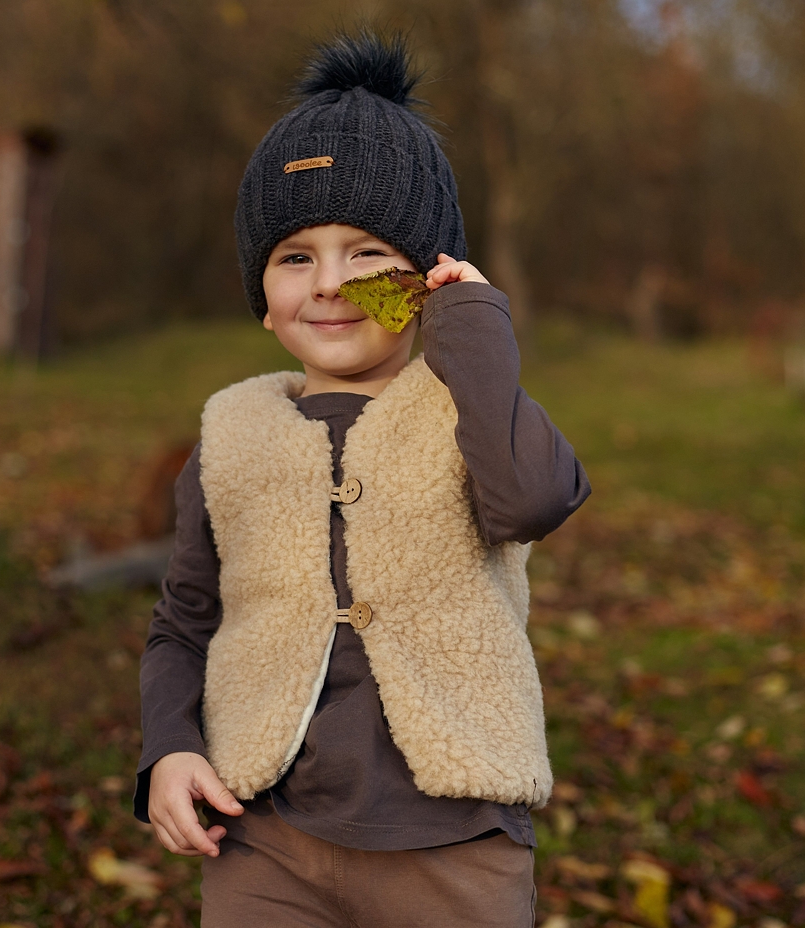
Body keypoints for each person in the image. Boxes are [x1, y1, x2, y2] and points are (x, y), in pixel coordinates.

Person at [136, 30, 590, 928]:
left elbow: (534, 500)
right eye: (294, 257)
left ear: (426, 279)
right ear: (261, 295)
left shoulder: (470, 408)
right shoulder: (230, 435)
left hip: (454, 847)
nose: (332, 283)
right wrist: (169, 749)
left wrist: (472, 325)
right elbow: (183, 624)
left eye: (370, 252)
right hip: (264, 842)